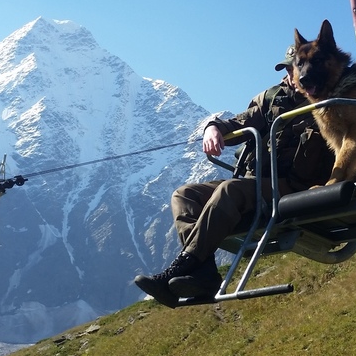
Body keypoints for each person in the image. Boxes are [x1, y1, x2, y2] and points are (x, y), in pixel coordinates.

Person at [133, 46, 335, 307]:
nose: (291, 74)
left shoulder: (330, 100)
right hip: (257, 182)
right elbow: (240, 122)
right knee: (184, 195)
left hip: (295, 186)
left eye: (295, 68)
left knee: (230, 190)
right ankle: (203, 273)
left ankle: (179, 269)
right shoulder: (271, 99)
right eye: (288, 68)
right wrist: (213, 128)